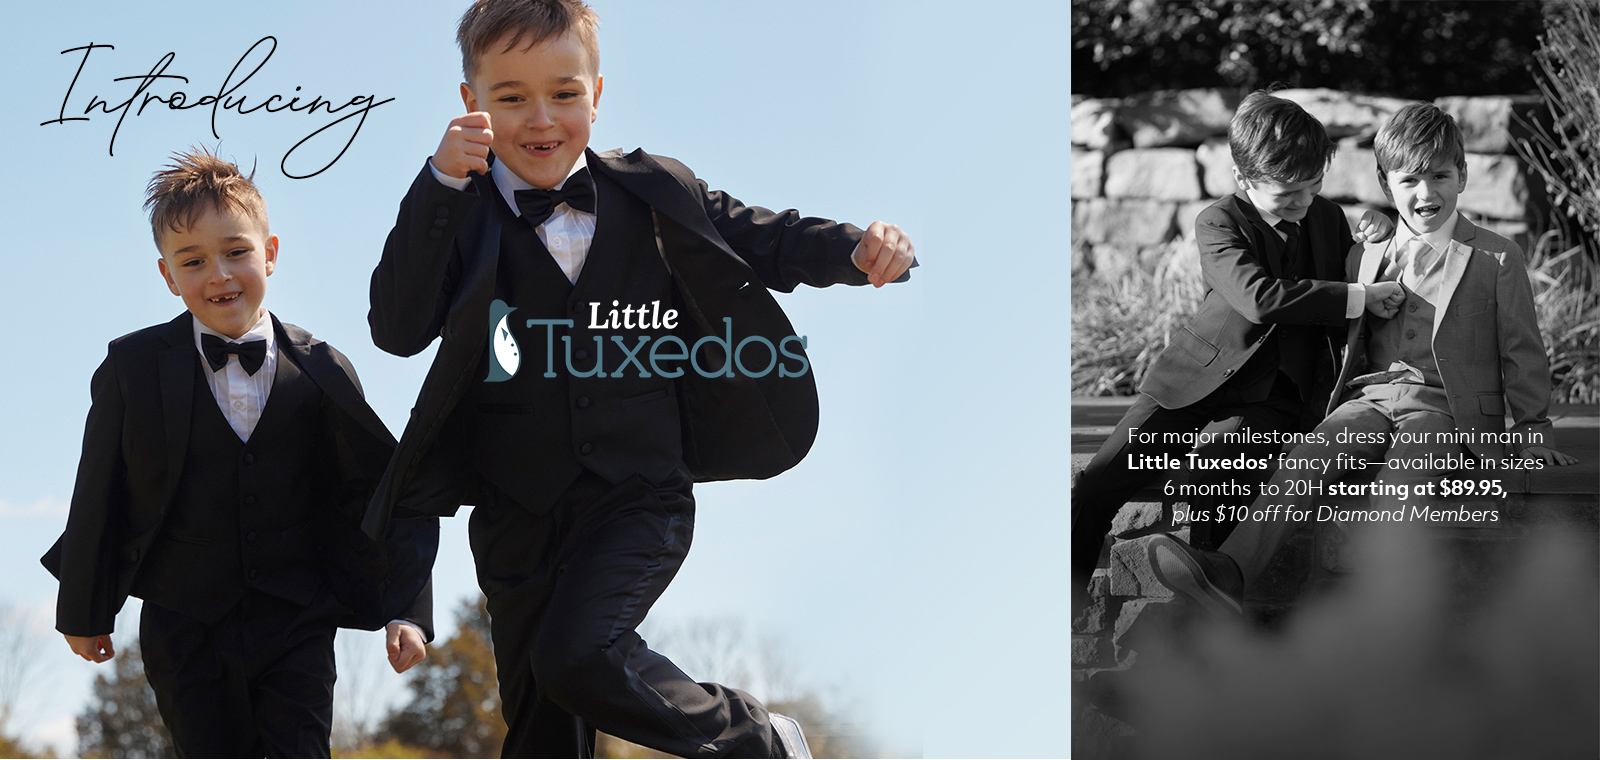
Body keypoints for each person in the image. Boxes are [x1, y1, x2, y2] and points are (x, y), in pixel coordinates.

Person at [363, 0, 916, 756]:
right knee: (540, 726)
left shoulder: (654, 190)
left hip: (638, 495)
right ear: (472, 106)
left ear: (597, 92)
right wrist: (436, 185)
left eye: (563, 93)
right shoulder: (458, 214)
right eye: (511, 96)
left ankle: (756, 738)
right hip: (515, 515)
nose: (541, 118)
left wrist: (856, 248)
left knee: (579, 655)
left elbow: (764, 238)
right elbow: (396, 329)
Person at [42, 148, 438, 757]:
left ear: (270, 253)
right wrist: (84, 608)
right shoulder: (133, 369)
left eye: (236, 252)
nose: (219, 275)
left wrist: (407, 609)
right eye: (193, 261)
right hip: (184, 625)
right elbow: (100, 491)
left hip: (297, 624)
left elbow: (390, 493)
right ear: (168, 276)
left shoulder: (323, 370)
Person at [1149, 102, 1578, 615]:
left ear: (1462, 175)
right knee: (1306, 458)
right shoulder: (1366, 254)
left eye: (1441, 176)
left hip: (1445, 409)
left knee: (1407, 474)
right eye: (1410, 180)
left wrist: (1533, 432)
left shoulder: (1496, 256)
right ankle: (1230, 571)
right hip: (1370, 400)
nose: (1426, 193)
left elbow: (1522, 351)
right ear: (1384, 180)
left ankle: (1382, 605)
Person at [1071, 90, 1400, 608]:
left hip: (1277, 398)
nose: (1302, 203)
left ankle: (1209, 599)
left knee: (1222, 464)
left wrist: (1377, 234)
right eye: (1286, 194)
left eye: (1312, 187)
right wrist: (1358, 298)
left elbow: (1355, 263)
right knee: (1095, 487)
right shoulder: (1218, 222)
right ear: (1243, 179)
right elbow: (1258, 298)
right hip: (1194, 381)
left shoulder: (1327, 219)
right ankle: (1063, 604)